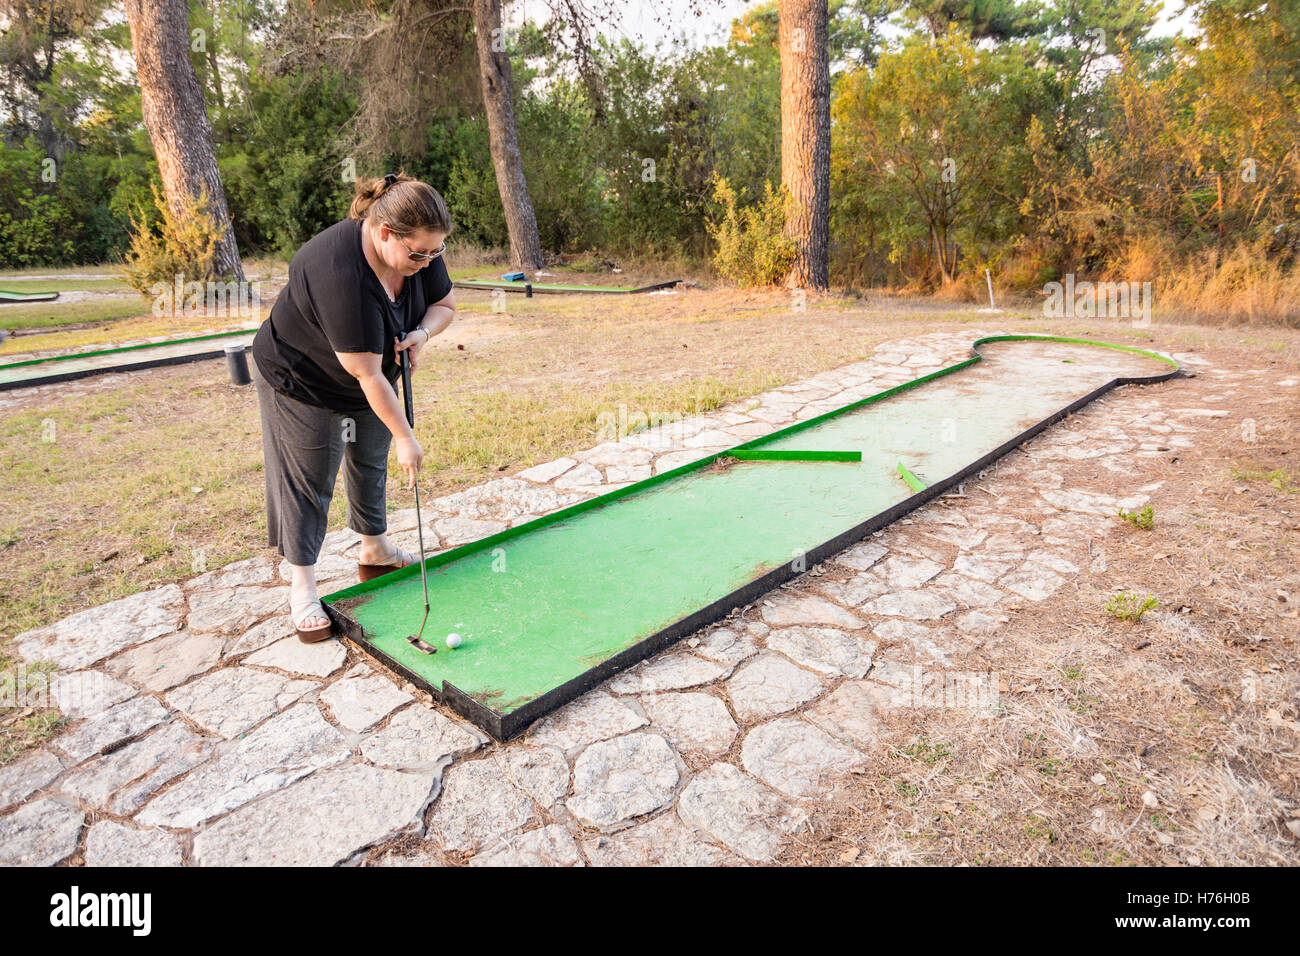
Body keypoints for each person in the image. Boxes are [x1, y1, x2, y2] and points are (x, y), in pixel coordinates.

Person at [250, 172, 456, 642]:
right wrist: (407, 437)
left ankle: (375, 549)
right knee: (309, 476)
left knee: (368, 457)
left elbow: (444, 304)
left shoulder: (420, 254)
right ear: (385, 233)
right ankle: (302, 588)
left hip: (371, 374)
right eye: (419, 253)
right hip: (302, 379)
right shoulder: (336, 269)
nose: (427, 262)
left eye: (436, 251)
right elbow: (365, 373)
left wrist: (421, 333)